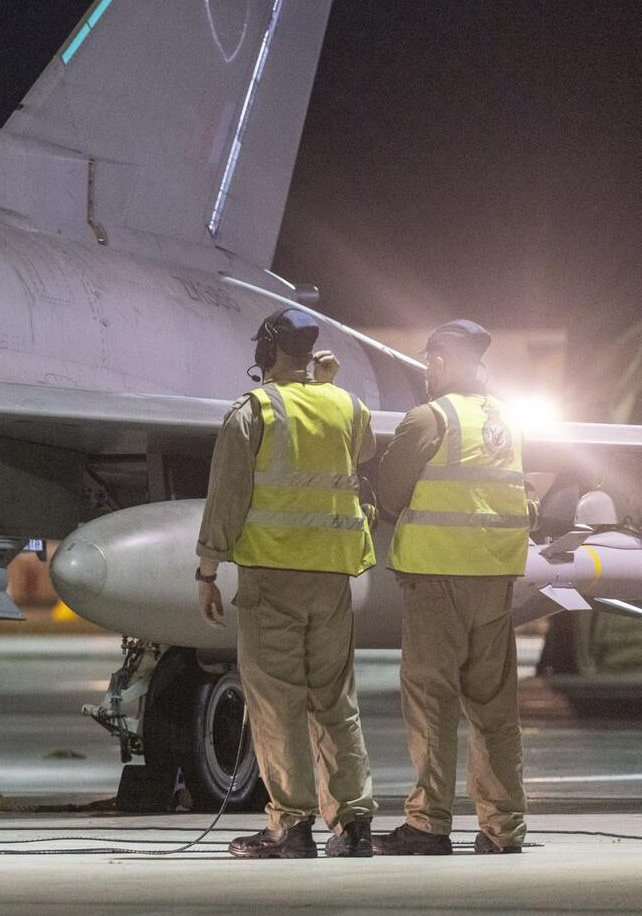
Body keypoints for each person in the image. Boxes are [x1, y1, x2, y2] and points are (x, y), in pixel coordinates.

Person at [195, 308, 379, 859]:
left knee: (276, 704)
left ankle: (290, 827)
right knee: (335, 703)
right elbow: (361, 448)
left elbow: (226, 498)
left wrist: (207, 570)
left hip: (272, 578)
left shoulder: (253, 412)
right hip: (332, 579)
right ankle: (353, 826)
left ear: (268, 349)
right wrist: (325, 386)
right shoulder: (347, 404)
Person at [371, 320, 529, 856]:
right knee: (494, 710)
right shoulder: (508, 420)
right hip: (495, 582)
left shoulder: (429, 418)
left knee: (432, 703)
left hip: (437, 580)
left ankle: (428, 825)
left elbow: (390, 495)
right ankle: (503, 828)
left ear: (438, 363)